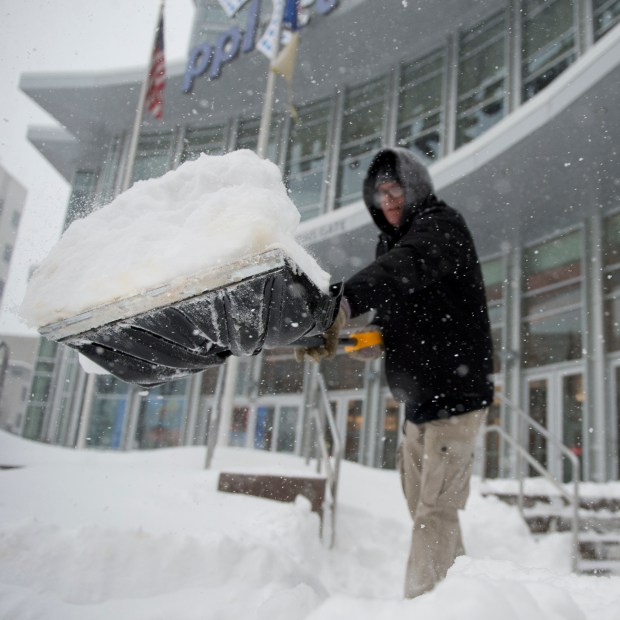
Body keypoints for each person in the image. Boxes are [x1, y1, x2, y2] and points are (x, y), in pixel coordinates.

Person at [297, 147, 494, 598]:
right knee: (423, 507)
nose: (387, 200)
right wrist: (371, 338)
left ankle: (424, 605)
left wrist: (342, 303)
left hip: (456, 396)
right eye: (379, 192)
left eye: (395, 189)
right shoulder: (390, 243)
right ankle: (466, 597)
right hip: (418, 401)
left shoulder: (442, 227)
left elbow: (406, 268)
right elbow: (398, 310)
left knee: (434, 510)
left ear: (416, 187)